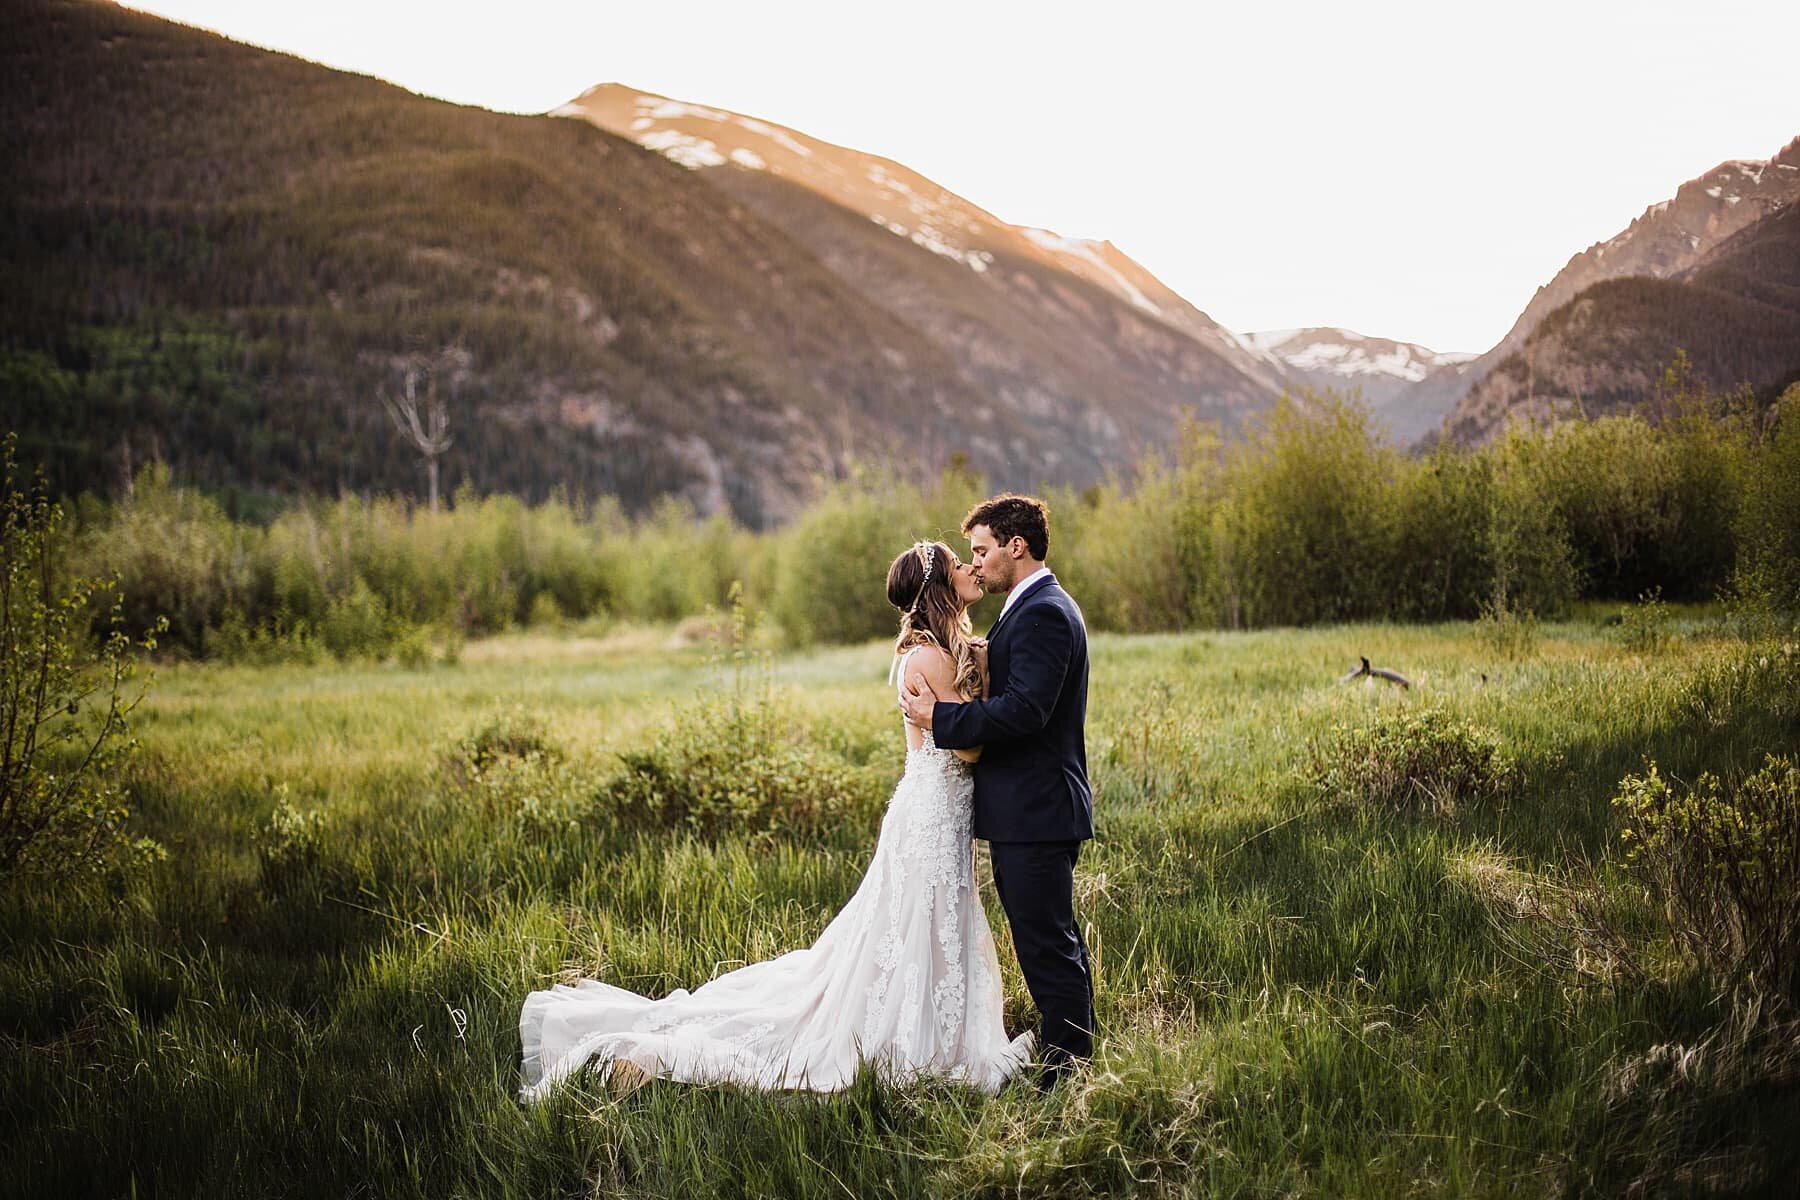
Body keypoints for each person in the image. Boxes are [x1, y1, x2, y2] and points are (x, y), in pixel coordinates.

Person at [518, 540, 1034, 1100]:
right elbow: (968, 752)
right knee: (919, 923)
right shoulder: (930, 657)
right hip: (933, 815)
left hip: (930, 812)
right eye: (959, 563)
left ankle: (933, 1029)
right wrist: (991, 711)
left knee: (917, 926)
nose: (969, 567)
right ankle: (913, 1043)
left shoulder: (927, 651)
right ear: (938, 585)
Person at [898, 493, 1095, 1085]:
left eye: (982, 550)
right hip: (1028, 810)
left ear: (1017, 546)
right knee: (1047, 940)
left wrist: (943, 720)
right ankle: (1071, 1055)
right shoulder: (1026, 609)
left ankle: (1068, 1070)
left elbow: (1025, 711)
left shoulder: (1041, 612)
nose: (975, 562)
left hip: (1036, 811)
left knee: (1046, 944)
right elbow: (1009, 683)